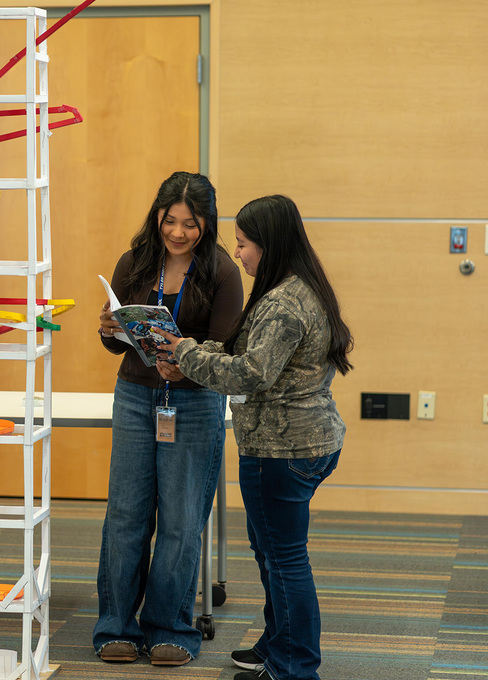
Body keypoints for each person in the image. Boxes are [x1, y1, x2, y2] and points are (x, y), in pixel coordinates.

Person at [155, 194, 353, 680]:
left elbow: (250, 373)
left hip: (282, 449)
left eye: (243, 245)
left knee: (285, 561)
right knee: (272, 553)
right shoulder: (299, 287)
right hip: (304, 441)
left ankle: (294, 667)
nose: (237, 254)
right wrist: (189, 351)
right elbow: (248, 354)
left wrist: (184, 354)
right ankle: (277, 645)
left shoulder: (285, 301)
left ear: (269, 245)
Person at [93, 171, 243, 666]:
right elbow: (115, 341)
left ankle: (171, 627)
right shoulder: (134, 261)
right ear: (157, 215)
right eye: (170, 220)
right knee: (127, 515)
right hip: (137, 396)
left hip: (195, 403)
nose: (178, 232)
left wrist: (186, 360)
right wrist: (109, 329)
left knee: (181, 520)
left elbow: (225, 350)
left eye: (190, 224)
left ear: (207, 224)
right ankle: (116, 625)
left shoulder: (221, 270)